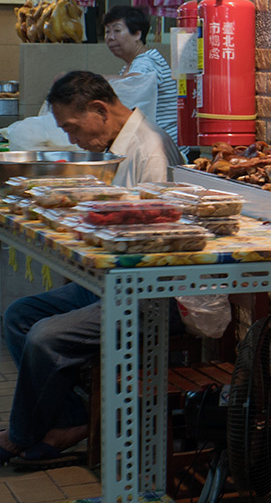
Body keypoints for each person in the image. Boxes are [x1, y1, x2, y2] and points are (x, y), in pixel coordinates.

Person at [0, 72, 183, 469]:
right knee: (19, 315)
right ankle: (71, 420)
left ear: (100, 110)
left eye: (72, 128)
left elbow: (160, 243)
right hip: (113, 283)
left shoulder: (150, 151)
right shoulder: (119, 146)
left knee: (45, 336)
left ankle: (20, 435)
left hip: (155, 296)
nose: (71, 139)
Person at [103, 5, 177, 143]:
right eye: (107, 31)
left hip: (163, 146)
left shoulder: (148, 60)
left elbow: (133, 82)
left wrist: (90, 80)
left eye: (117, 30)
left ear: (137, 34)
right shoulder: (130, 66)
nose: (110, 37)